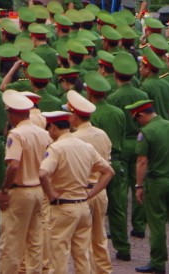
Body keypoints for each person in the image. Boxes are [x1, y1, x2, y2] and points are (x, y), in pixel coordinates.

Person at [40, 110, 114, 274]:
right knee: (82, 255)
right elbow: (109, 171)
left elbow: (42, 173)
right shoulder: (86, 146)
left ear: (52, 127)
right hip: (82, 206)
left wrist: (51, 194)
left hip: (63, 207)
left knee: (59, 256)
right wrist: (91, 193)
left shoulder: (56, 148)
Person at [130, 96, 169, 274]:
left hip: (157, 182)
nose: (138, 123)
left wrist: (138, 186)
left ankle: (158, 262)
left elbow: (142, 161)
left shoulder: (147, 132)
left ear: (141, 115)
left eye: (137, 119)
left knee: (157, 224)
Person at [0, 88, 49, 274]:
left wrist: (4, 189)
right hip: (38, 190)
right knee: (35, 241)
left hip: (20, 190)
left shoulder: (16, 134)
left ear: (14, 113)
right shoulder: (43, 133)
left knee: (11, 242)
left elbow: (13, 165)